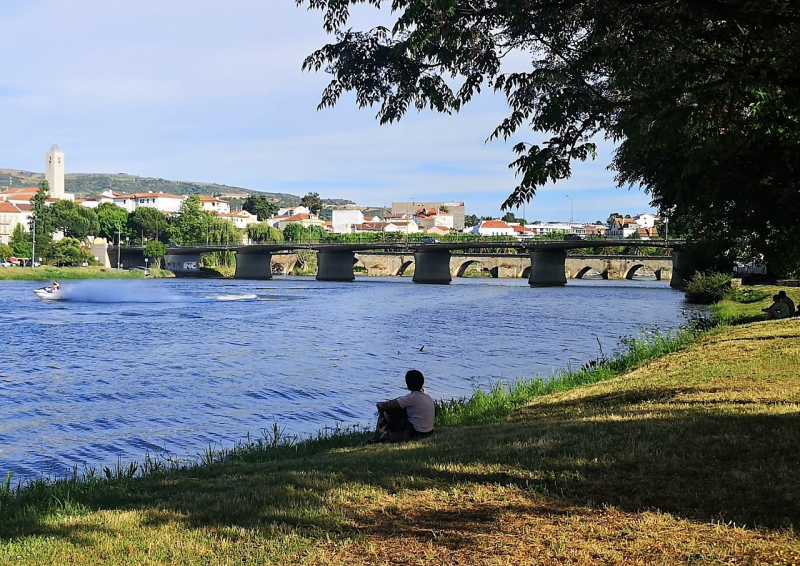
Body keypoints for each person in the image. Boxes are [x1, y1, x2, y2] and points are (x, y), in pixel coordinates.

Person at [369, 369, 435, 444]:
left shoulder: (412, 398)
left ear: (408, 384)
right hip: (428, 432)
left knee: (385, 411)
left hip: (417, 433)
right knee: (400, 409)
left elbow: (388, 405)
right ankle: (387, 436)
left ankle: (375, 438)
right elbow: (400, 400)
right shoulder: (424, 393)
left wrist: (380, 404)